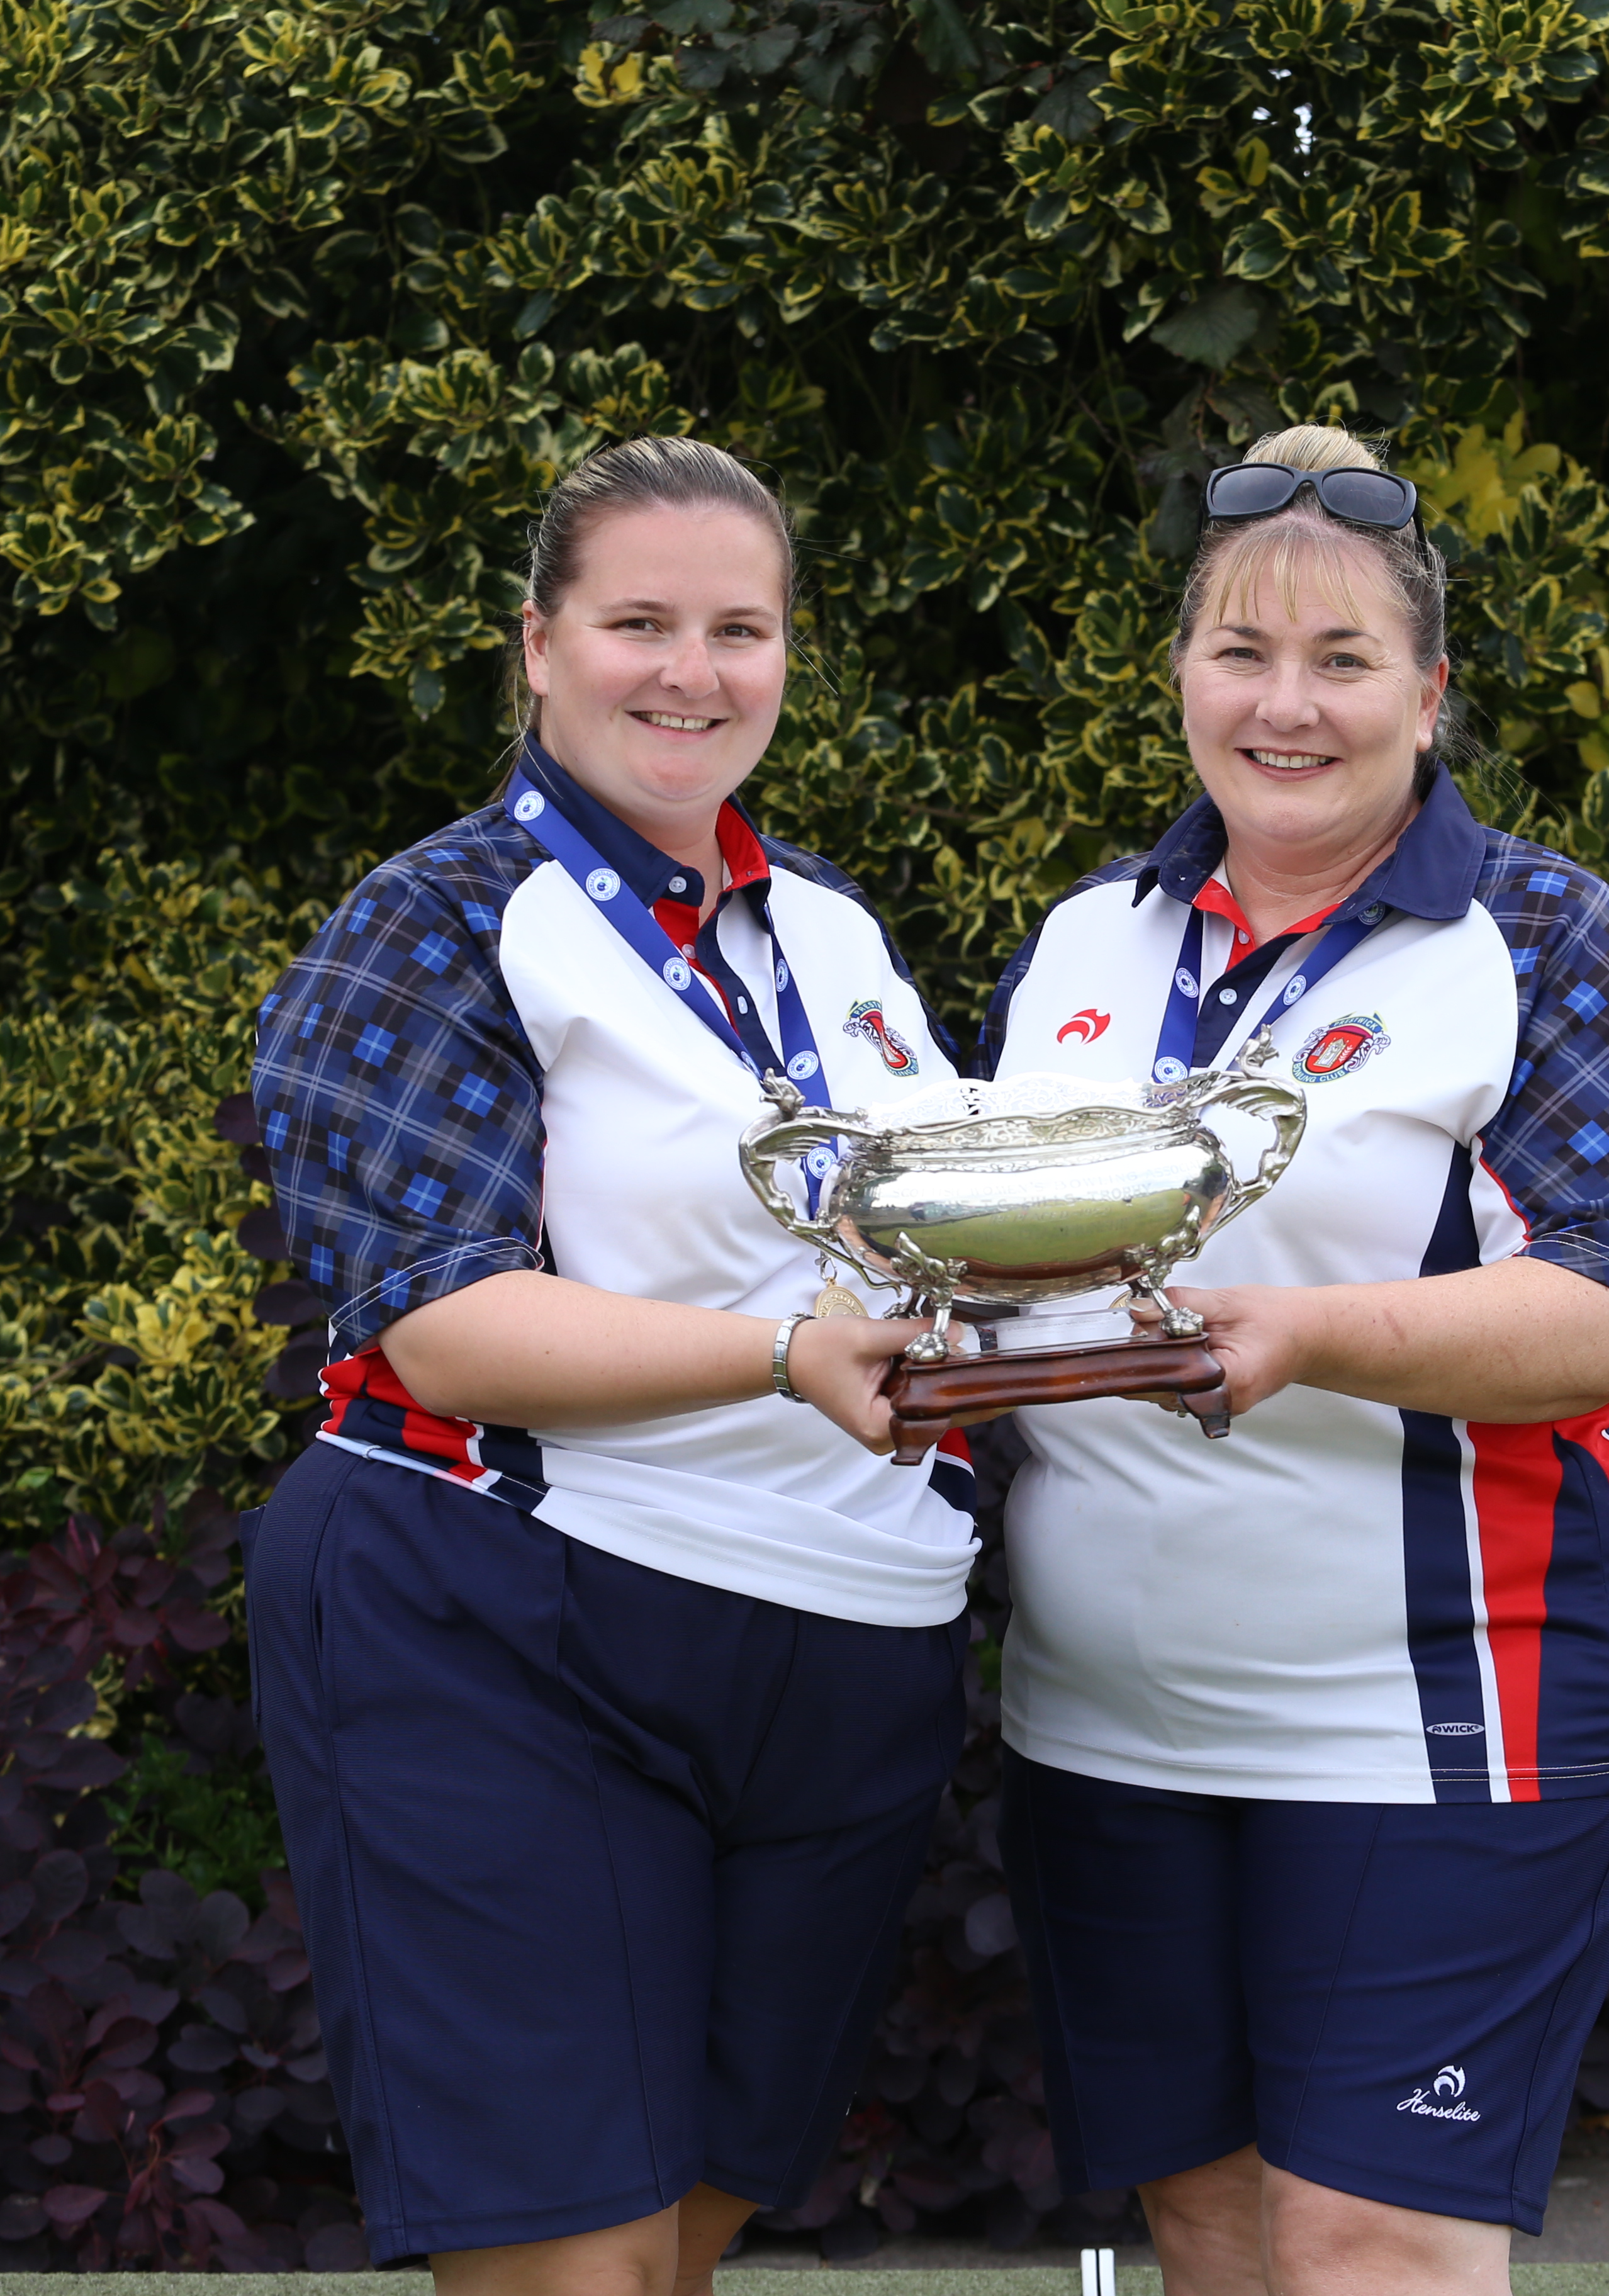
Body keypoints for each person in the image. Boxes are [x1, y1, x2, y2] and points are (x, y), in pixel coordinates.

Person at [978, 426, 1609, 2296]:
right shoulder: (1082, 941)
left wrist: (1305, 1338)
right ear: (1179, 675)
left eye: (1342, 660)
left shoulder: (1539, 936)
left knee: (1366, 2244)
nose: (1283, 705)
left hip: (1452, 1707)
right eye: (1240, 652)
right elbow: (985, 1267)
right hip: (1107, 1718)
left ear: (1430, 691)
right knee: (1213, 2230)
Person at [245, 437, 976, 2296]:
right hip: (507, 1621)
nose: (691, 671)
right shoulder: (427, 926)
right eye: (637, 621)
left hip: (843, 1650)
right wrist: (780, 1354)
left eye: (739, 629)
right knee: (576, 2271)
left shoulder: (836, 936)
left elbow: (935, 1247)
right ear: (539, 647)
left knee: (684, 2246)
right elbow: (443, 1318)